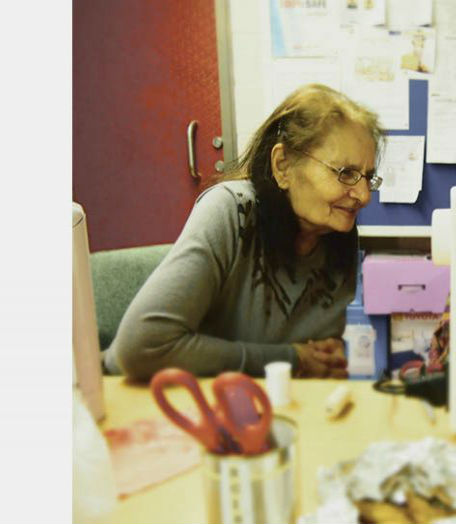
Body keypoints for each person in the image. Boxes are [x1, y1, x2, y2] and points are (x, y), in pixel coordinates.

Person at [105, 84, 384, 381]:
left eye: (367, 177)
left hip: (257, 406)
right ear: (283, 165)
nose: (364, 195)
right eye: (346, 174)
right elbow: (141, 347)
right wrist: (291, 359)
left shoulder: (337, 229)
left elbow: (320, 355)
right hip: (150, 396)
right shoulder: (230, 209)